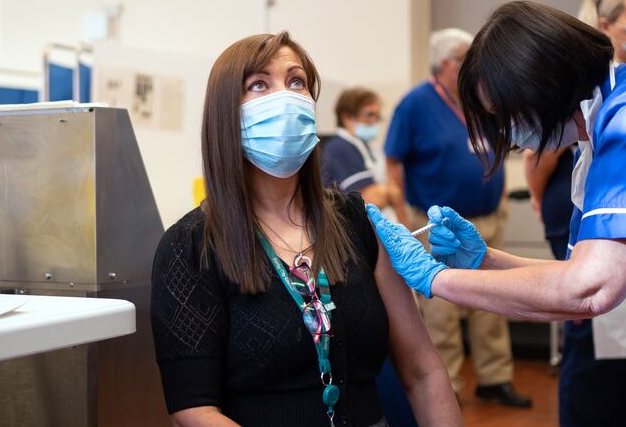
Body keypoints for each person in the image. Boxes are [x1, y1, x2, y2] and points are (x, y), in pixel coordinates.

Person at [366, 1, 626, 426]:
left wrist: (434, 278)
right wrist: (486, 260)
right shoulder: (598, 139)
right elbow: (574, 281)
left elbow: (590, 291)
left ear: (541, 84)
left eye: (504, 113)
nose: (507, 131)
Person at [150, 32, 462, 427]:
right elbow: (194, 411)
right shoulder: (191, 246)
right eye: (259, 84)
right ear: (225, 113)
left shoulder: (357, 221)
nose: (286, 97)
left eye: (296, 81)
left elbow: (423, 371)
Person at [527, 0, 626, 426]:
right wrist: (544, 210)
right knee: (590, 329)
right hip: (583, 212)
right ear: (605, 24)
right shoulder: (588, 82)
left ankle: (621, 409)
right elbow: (540, 154)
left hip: (625, 212)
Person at [384, 28, 532, 408]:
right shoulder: (416, 103)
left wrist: (497, 195)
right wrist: (403, 216)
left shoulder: (475, 99)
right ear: (447, 63)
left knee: (494, 303)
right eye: (467, 57)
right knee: (441, 309)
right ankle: (445, 384)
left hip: (486, 217)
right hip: (436, 224)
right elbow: (393, 160)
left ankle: (494, 378)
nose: (475, 65)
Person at [321, 87, 407, 222]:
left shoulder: (367, 145)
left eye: (377, 116)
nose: (374, 121)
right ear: (347, 117)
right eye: (369, 115)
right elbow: (370, 199)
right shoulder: (340, 147)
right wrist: (392, 192)